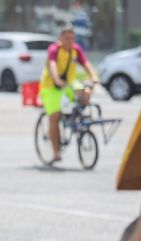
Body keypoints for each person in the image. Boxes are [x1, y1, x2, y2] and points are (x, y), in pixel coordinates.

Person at [39, 26, 99, 164]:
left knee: (85, 92)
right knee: (55, 116)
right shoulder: (54, 49)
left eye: (72, 38)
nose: (70, 41)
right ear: (60, 38)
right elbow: (52, 66)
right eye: (67, 38)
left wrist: (94, 77)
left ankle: (76, 117)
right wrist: (57, 80)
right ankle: (56, 153)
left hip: (69, 84)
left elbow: (86, 64)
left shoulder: (76, 50)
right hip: (51, 87)